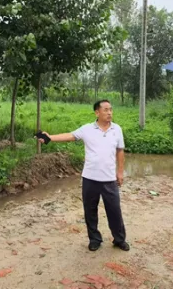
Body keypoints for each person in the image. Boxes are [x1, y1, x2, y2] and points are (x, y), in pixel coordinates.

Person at [37, 99, 129, 252]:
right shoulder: (87, 129)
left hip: (109, 180)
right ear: (97, 112)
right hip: (90, 179)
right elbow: (70, 135)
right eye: (106, 110)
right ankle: (94, 239)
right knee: (90, 211)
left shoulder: (117, 129)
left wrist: (120, 172)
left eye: (111, 109)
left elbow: (120, 151)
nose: (109, 113)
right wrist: (50, 137)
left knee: (114, 211)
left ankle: (119, 239)